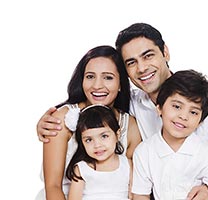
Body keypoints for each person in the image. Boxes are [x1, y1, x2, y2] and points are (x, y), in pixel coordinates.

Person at [37, 23, 208, 199]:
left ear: (165, 52)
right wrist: (54, 118)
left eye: (148, 55)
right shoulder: (129, 106)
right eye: (131, 62)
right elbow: (95, 110)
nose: (142, 68)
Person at [35, 45, 141, 200]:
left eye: (108, 77)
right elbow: (53, 186)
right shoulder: (62, 118)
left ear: (120, 84)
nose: (97, 85)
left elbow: (135, 185)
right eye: (90, 76)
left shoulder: (129, 125)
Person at [132, 70, 208, 200]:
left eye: (193, 112)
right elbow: (140, 195)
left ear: (200, 121)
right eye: (177, 106)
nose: (183, 116)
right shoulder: (144, 152)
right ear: (159, 108)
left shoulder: (207, 154)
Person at [66, 104, 131, 200]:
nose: (97, 145)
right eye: (89, 140)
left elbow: (134, 195)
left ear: (117, 135)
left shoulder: (128, 164)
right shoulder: (82, 169)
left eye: (104, 136)